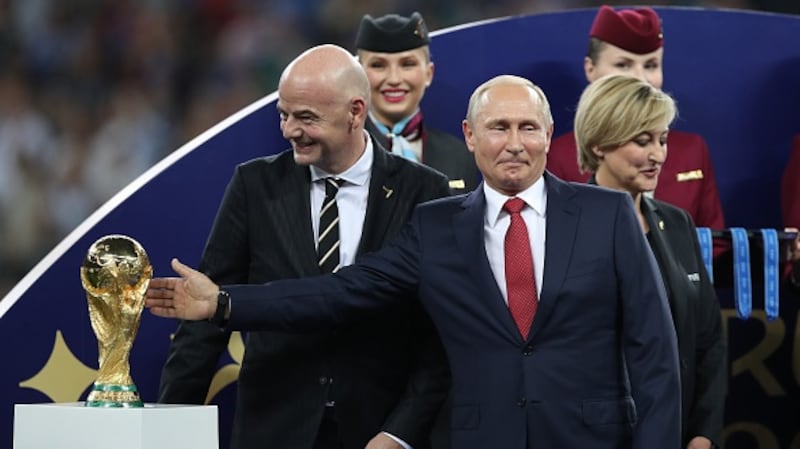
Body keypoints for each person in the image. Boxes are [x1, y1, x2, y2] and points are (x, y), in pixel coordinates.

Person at [146, 74, 681, 449]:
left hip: (590, 439)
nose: (514, 144)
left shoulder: (606, 214)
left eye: (528, 128)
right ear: (470, 138)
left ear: (548, 137)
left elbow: (654, 353)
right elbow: (341, 291)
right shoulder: (437, 224)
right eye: (498, 127)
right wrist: (224, 303)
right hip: (477, 439)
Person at [157, 44, 451, 449]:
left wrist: (400, 433)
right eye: (284, 114)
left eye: (306, 118)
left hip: (376, 430)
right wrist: (170, 429)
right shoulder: (254, 186)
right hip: (274, 428)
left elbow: (436, 335)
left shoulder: (424, 190)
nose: (289, 130)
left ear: (355, 112)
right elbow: (201, 323)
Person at [574, 74, 727, 449]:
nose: (657, 155)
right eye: (642, 141)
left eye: (662, 140)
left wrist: (703, 434)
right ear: (599, 145)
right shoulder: (563, 227)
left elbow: (709, 341)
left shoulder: (677, 223)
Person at [546, 5, 726, 238]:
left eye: (651, 65)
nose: (640, 78)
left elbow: (713, 242)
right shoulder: (558, 156)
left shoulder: (692, 150)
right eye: (623, 65)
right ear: (590, 69)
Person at [355, 11, 478, 193]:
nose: (394, 79)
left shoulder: (459, 154)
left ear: (429, 73)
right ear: (357, 74)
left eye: (407, 64)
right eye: (378, 65)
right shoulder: (342, 154)